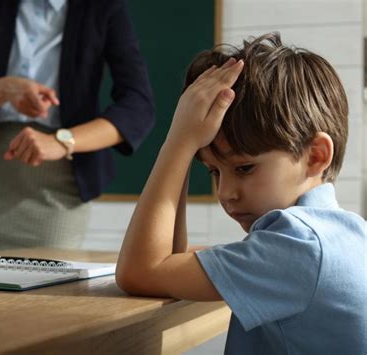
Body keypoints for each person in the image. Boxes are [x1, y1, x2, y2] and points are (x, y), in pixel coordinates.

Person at [116, 33, 366, 354]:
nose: (225, 193)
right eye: (214, 172)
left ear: (315, 155)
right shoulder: (347, 233)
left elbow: (140, 271)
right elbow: (165, 260)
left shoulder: (298, 246)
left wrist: (178, 141)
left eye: (244, 168)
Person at [0, 0, 155, 252]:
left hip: (62, 184)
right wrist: (7, 88)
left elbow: (138, 106)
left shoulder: (103, 6)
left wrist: (62, 141)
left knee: (47, 287)